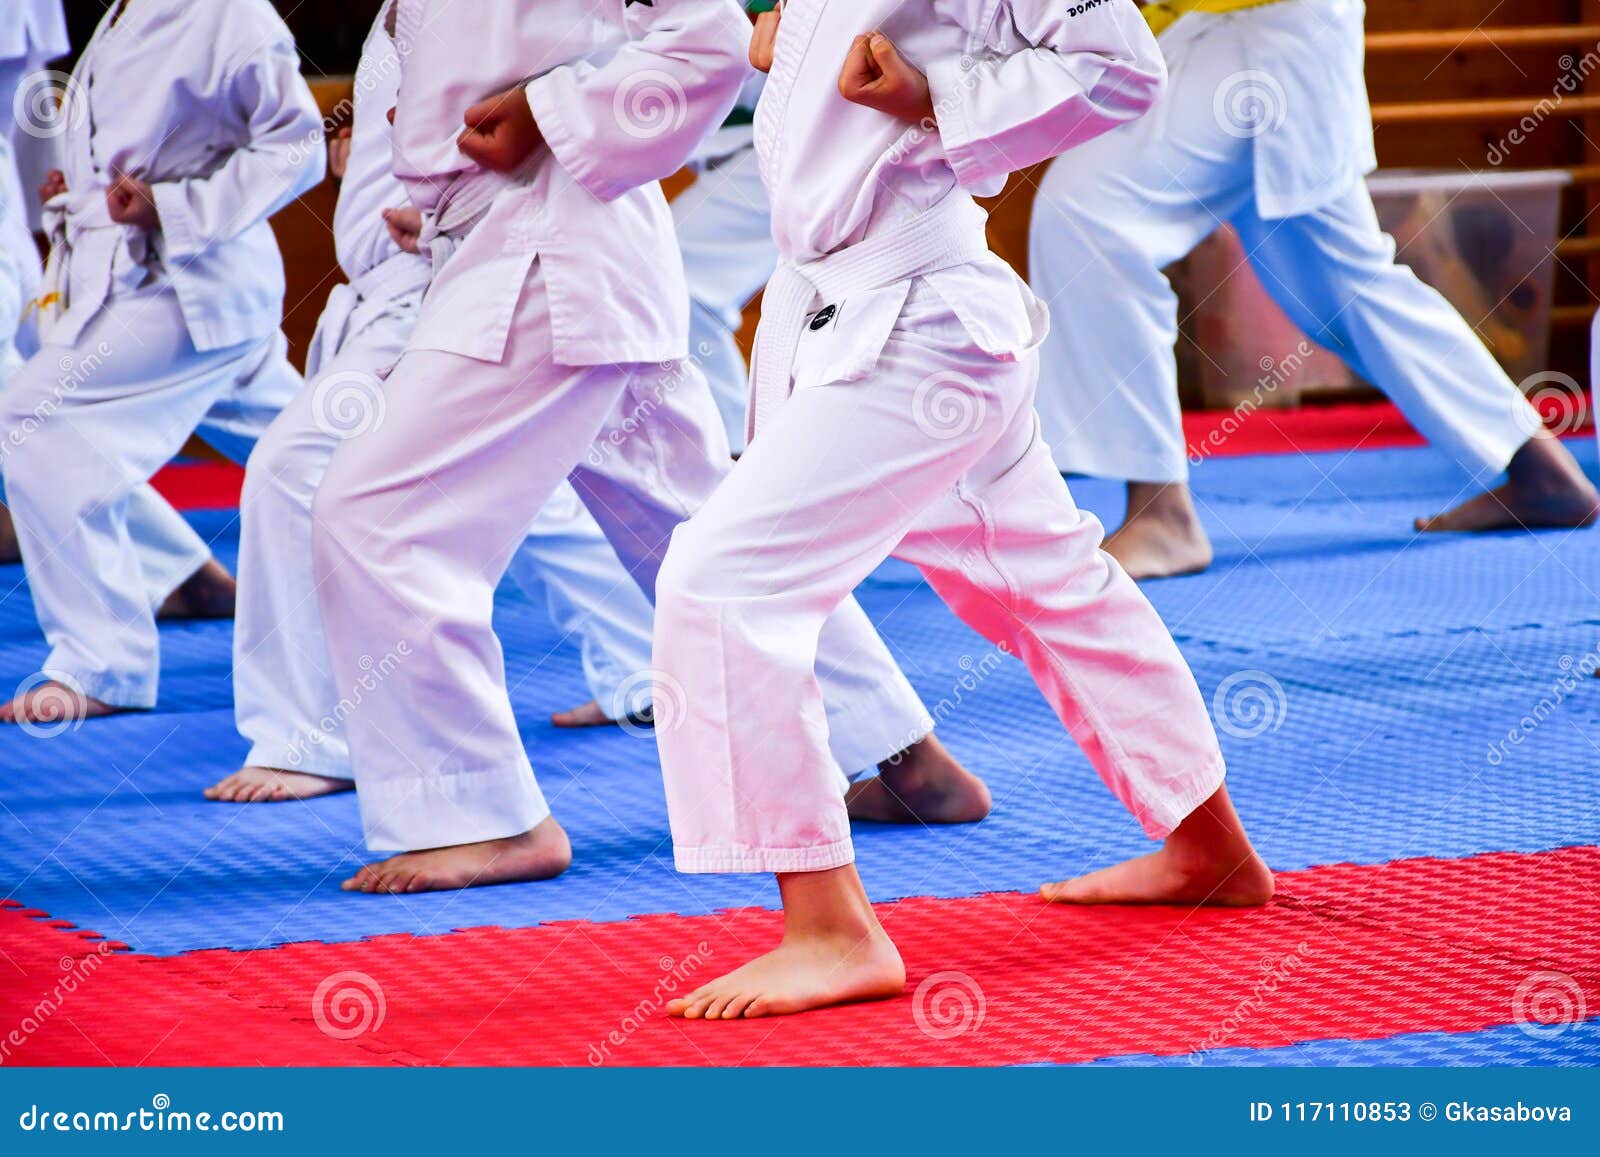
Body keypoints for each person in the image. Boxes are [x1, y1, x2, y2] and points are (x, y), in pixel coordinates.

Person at [657, 0, 1273, 1022]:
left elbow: (1120, 66)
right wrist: (784, 39)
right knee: (1046, 584)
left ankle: (831, 927)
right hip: (868, 315)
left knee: (721, 583)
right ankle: (1210, 848)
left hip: (916, 324)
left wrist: (933, 96)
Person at [306, 0, 983, 895]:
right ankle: (901, 752)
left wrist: (551, 117)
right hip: (554, 252)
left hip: (549, 251)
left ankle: (481, 814)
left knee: (375, 513)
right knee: (702, 534)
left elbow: (708, 35)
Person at [210, 0, 668, 807]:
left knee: (298, 473)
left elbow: (653, 60)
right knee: (586, 491)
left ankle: (313, 735)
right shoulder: (404, 15)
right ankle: (648, 668)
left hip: (456, 278)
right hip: (437, 274)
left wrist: (442, 207)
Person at [1027, 0, 1599, 579]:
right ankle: (1541, 470)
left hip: (1266, 33)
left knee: (1087, 216)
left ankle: (1161, 512)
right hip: (1265, 33)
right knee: (1344, 280)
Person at [0, 0, 323, 725]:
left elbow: (300, 145)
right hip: (182, 288)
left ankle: (102, 660)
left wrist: (174, 207)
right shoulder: (128, 10)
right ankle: (444, 546)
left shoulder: (229, 13)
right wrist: (80, 193)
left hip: (187, 283)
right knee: (327, 459)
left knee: (30, 418)